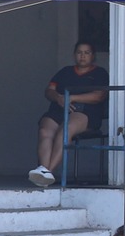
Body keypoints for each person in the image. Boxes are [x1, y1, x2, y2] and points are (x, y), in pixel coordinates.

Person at [29, 37, 110, 188]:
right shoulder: (65, 72)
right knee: (45, 131)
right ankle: (43, 171)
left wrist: (71, 98)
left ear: (93, 56)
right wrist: (59, 98)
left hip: (85, 113)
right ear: (74, 55)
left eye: (87, 53)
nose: (83, 56)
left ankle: (48, 172)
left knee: (65, 130)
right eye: (79, 52)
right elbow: (49, 91)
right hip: (59, 109)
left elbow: (99, 96)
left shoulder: (100, 73)